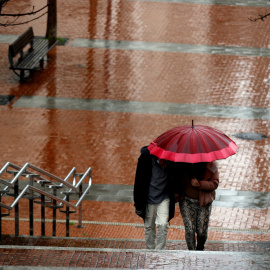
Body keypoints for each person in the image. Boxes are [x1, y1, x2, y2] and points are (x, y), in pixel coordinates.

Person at [133, 146, 176, 250]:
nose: (165, 165)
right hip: (148, 198)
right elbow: (138, 181)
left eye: (167, 163)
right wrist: (138, 204)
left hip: (164, 198)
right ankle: (150, 249)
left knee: (162, 224)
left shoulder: (171, 162)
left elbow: (175, 179)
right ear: (158, 158)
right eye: (163, 162)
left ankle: (159, 251)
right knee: (149, 226)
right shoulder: (146, 159)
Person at [175, 161, 219, 251]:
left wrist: (200, 184)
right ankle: (192, 253)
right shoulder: (182, 163)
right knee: (190, 230)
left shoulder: (211, 166)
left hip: (204, 202)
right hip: (186, 201)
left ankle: (199, 250)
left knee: (201, 232)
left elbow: (215, 183)